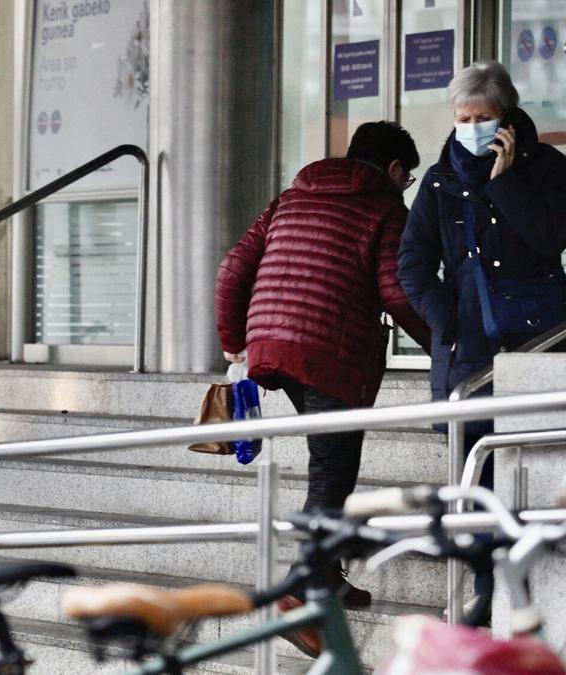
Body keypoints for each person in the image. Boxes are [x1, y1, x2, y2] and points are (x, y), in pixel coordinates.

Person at [215, 121, 432, 653]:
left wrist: (233, 340)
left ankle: (328, 575)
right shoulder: (385, 206)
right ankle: (301, 595)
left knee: (330, 456)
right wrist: (440, 343)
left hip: (271, 343)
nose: (405, 186)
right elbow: (396, 291)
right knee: (332, 471)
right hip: (329, 349)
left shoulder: (290, 198)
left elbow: (232, 268)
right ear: (396, 170)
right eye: (407, 178)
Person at [398, 61, 566, 617]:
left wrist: (505, 182)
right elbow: (412, 262)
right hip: (467, 352)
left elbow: (550, 239)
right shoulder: (439, 180)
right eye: (463, 117)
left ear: (508, 119)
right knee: (476, 471)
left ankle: (531, 590)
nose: (471, 127)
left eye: (483, 117)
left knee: (537, 466)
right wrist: (447, 319)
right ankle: (486, 590)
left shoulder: (547, 168)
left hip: (539, 344)